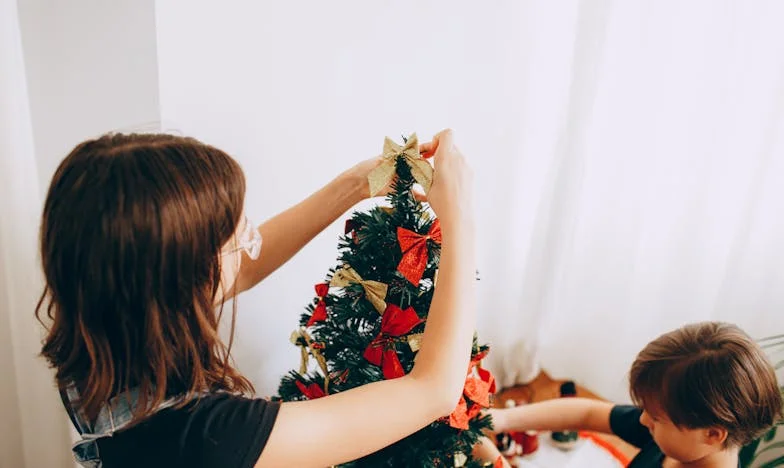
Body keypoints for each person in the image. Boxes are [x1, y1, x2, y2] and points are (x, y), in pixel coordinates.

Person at [36, 129, 476, 467]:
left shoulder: (99, 344)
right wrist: (460, 219)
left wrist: (355, 185)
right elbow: (433, 390)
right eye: (232, 234)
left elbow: (241, 269)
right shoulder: (208, 437)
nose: (248, 237)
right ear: (182, 279)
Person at [475, 322, 783, 468]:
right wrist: (501, 418)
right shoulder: (679, 439)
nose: (644, 419)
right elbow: (588, 414)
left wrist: (496, 461)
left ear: (712, 434)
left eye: (657, 417)